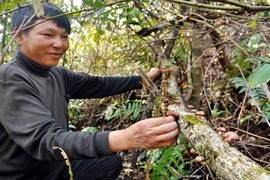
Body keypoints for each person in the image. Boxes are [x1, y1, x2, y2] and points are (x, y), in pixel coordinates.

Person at [0, 2, 179, 180]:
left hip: (56, 166)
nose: (59, 44)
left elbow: (97, 85)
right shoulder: (9, 79)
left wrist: (140, 80)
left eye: (65, 37)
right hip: (25, 175)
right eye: (48, 35)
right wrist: (126, 137)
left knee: (111, 163)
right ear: (19, 35)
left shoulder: (56, 74)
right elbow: (45, 139)